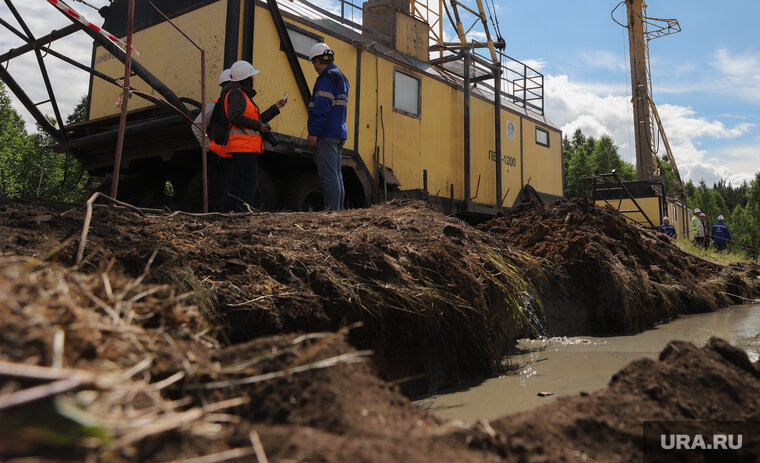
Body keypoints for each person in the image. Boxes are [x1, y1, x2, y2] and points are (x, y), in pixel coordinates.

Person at [215, 60, 286, 211]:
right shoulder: (236, 94)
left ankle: (227, 212)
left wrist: (275, 108)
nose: (254, 80)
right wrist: (259, 126)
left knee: (236, 182)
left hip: (242, 146)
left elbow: (255, 120)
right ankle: (243, 212)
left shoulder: (241, 96)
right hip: (243, 146)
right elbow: (234, 116)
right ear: (246, 80)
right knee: (250, 182)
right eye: (252, 77)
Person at [306, 42, 350, 211]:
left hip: (326, 133)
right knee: (336, 175)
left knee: (328, 176)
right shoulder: (342, 78)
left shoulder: (326, 78)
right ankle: (337, 211)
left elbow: (322, 107)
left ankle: (332, 211)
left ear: (319, 60)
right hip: (339, 131)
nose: (314, 67)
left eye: (314, 63)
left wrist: (313, 132)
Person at [192, 69, 232, 211]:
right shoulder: (216, 104)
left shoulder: (239, 104)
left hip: (234, 153)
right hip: (222, 155)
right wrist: (209, 146)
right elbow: (197, 125)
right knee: (219, 189)